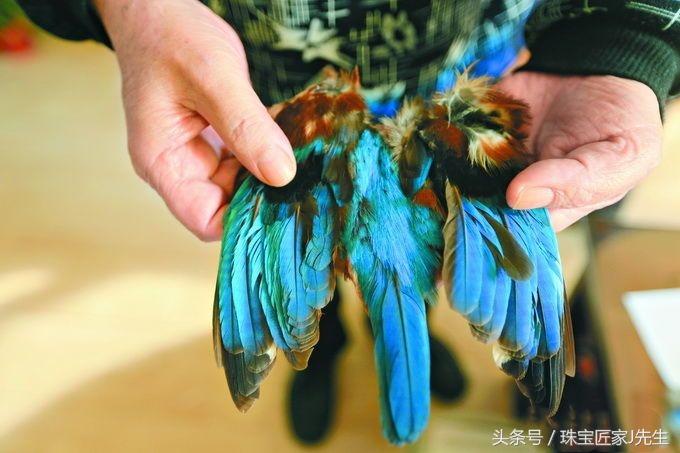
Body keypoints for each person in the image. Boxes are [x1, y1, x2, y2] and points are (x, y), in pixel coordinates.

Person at [17, 0, 679, 444]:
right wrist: (134, 7)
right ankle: (321, 349)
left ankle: (406, 331)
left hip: (471, 68)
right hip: (264, 84)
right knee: (322, 249)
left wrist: (623, 36)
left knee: (416, 259)